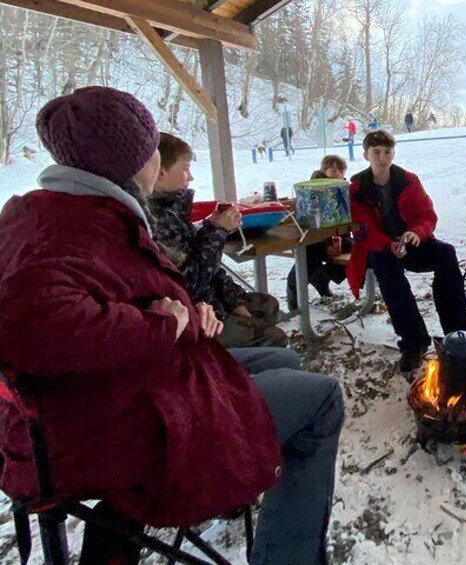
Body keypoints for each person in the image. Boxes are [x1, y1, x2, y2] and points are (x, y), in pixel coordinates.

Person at [0, 87, 344, 564]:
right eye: (149, 152)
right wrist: (158, 324)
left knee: (282, 358)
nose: (155, 161)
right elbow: (28, 328)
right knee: (324, 398)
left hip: (128, 386)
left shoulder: (75, 210)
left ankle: (236, 487)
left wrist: (185, 312)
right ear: (128, 161)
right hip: (105, 427)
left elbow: (120, 291)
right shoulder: (60, 227)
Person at [346, 129, 466, 372]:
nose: (383, 158)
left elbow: (427, 214)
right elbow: (363, 228)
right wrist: (388, 243)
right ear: (366, 155)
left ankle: (459, 329)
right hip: (379, 247)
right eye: (376, 153)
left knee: (445, 253)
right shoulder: (358, 188)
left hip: (411, 241)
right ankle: (413, 341)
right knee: (387, 270)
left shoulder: (408, 180)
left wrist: (416, 232)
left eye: (387, 152)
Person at [149, 132, 289, 349]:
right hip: (197, 315)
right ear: (160, 173)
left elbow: (213, 269)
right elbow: (192, 282)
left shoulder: (173, 211)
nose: (191, 177)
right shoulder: (157, 222)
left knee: (266, 305)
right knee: (274, 337)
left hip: (213, 302)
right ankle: (238, 369)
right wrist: (217, 230)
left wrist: (235, 302)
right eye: (185, 169)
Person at [285, 154, 352, 310]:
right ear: (323, 170)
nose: (337, 172)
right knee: (308, 254)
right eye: (332, 168)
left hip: (337, 237)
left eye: (340, 169)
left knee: (354, 249)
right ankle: (295, 287)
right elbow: (313, 222)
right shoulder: (314, 189)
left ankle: (322, 279)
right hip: (314, 240)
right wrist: (326, 244)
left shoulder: (342, 189)